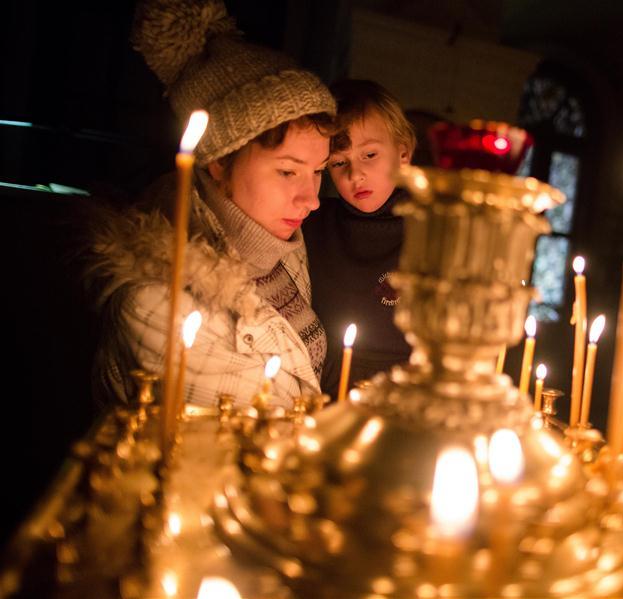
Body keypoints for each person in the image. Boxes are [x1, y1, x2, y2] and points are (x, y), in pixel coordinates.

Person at [84, 0, 336, 407]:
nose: (311, 200)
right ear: (218, 162)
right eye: (288, 172)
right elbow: (263, 431)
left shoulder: (278, 236)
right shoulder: (157, 303)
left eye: (319, 170)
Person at [303, 80, 416, 396]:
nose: (355, 174)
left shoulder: (430, 232)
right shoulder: (311, 224)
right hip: (324, 394)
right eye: (339, 162)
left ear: (403, 153)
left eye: (369, 154)